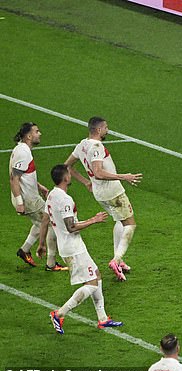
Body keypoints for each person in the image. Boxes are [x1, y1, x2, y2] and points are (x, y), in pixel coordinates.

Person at [37, 164, 123, 334]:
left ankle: (103, 319)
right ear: (66, 178)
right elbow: (71, 226)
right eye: (69, 173)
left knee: (96, 275)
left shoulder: (51, 195)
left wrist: (41, 244)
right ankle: (59, 313)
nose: (71, 175)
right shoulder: (64, 199)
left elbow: (45, 220)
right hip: (73, 247)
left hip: (69, 246)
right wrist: (94, 220)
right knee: (91, 283)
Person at [64, 116, 142, 281]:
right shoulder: (97, 146)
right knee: (130, 224)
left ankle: (119, 261)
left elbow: (67, 166)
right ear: (98, 130)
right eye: (106, 127)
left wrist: (86, 182)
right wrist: (123, 176)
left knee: (119, 221)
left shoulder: (82, 145)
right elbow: (98, 172)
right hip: (113, 193)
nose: (108, 130)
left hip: (99, 194)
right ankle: (116, 260)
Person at [9, 122, 65, 271]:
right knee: (51, 223)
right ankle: (51, 263)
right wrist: (20, 202)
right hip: (28, 200)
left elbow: (24, 175)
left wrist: (38, 186)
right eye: (36, 131)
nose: (39, 134)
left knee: (39, 223)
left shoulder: (22, 149)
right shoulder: (23, 152)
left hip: (30, 196)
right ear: (28, 136)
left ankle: (24, 250)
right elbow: (14, 178)